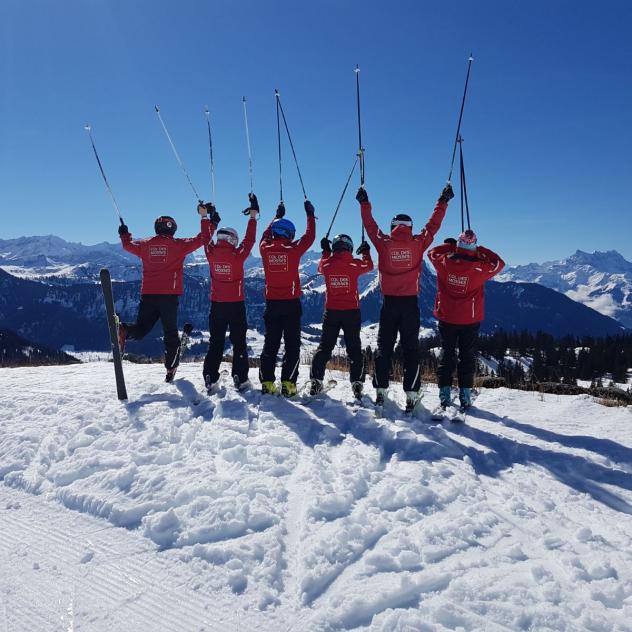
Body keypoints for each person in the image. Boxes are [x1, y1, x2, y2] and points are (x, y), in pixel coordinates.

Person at [356, 183, 454, 411]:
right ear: (410, 227)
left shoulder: (383, 243)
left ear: (393, 227)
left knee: (384, 348)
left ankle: (380, 390)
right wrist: (443, 200)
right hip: (410, 305)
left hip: (388, 305)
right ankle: (411, 394)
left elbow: (370, 226)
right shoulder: (418, 243)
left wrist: (364, 203)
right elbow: (434, 225)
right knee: (411, 350)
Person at [118, 203, 217, 381]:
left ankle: (124, 330)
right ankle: (170, 368)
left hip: (148, 295)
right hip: (168, 297)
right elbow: (203, 238)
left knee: (141, 329)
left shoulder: (145, 244)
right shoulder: (179, 245)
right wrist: (207, 220)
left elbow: (127, 246)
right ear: (173, 229)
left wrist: (124, 234)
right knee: (170, 333)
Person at [427, 229, 505, 410]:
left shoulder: (444, 261)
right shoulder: (480, 267)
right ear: (473, 246)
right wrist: (479, 250)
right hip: (470, 319)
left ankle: (444, 394)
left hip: (447, 316)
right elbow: (499, 263)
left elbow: (432, 253)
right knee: (466, 357)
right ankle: (465, 394)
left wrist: (450, 246)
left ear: (458, 244)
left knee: (447, 355)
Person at [259, 199, 316, 396]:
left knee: (270, 345)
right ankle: (288, 385)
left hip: (271, 304)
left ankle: (267, 384)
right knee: (292, 346)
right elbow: (309, 237)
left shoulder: (265, 249)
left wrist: (276, 216)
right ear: (290, 234)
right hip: (291, 305)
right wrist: (310, 215)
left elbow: (264, 236)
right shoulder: (293, 250)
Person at [202, 194, 258, 392]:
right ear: (233, 240)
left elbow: (205, 237)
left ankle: (210, 375)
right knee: (239, 342)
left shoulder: (210, 253)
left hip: (216, 305)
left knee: (215, 342)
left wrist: (209, 220)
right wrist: (252, 217)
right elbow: (250, 239)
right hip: (236, 305)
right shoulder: (238, 255)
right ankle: (240, 378)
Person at [309, 233, 373, 398]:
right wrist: (365, 251)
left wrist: (325, 251)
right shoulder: (354, 264)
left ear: (335, 247)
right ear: (349, 247)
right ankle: (357, 384)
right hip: (352, 312)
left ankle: (316, 380)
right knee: (354, 349)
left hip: (331, 312)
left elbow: (320, 266)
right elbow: (369, 265)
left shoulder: (327, 264)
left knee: (325, 347)